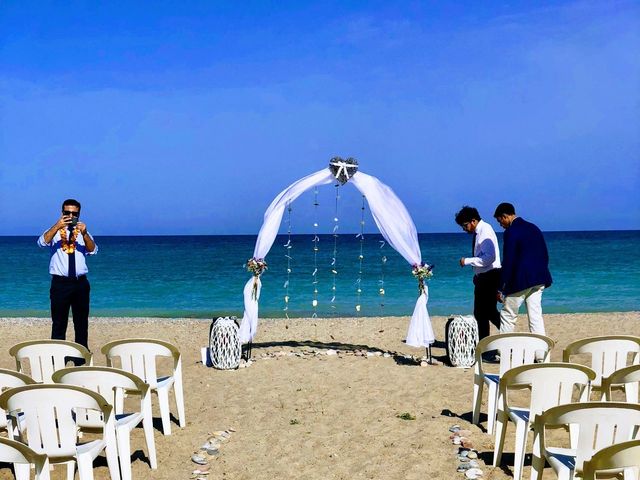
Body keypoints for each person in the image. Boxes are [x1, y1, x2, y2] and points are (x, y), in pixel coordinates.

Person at [37, 199, 97, 349]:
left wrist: (84, 234)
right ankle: (57, 356)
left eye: (74, 213)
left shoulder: (84, 232)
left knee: (81, 323)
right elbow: (41, 242)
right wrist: (57, 226)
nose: (70, 216)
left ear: (79, 214)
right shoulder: (54, 231)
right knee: (58, 323)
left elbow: (93, 250)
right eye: (67, 213)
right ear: (62, 213)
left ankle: (80, 358)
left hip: (80, 283)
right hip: (60, 284)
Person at [493, 202, 552, 335]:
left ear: (505, 216)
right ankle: (540, 353)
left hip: (521, 280)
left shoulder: (511, 232)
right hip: (539, 277)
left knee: (508, 315)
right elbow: (544, 254)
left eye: (499, 221)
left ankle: (504, 352)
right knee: (535, 316)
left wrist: (501, 287)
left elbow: (509, 260)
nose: (501, 225)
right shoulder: (534, 228)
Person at [454, 206, 502, 340]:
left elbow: (489, 258)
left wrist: (467, 261)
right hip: (486, 276)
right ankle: (487, 340)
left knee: (483, 313)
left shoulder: (484, 231)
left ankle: (489, 340)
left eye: (465, 225)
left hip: (490, 276)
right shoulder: (480, 231)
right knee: (487, 312)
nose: (464, 229)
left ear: (473, 221)